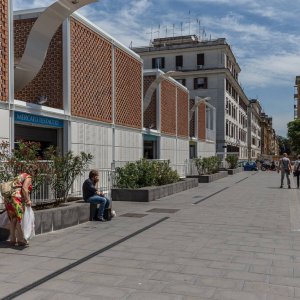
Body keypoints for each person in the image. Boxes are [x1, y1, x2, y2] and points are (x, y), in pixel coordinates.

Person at [4, 173, 32, 246]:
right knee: (19, 218)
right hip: (16, 199)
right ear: (34, 173)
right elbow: (24, 188)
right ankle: (21, 240)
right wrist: (28, 200)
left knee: (13, 218)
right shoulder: (28, 177)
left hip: (8, 199)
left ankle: (12, 239)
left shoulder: (20, 176)